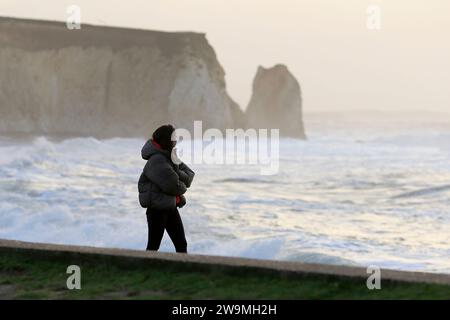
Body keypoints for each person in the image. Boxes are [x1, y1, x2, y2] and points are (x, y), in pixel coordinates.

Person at [138, 124, 195, 253]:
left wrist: (177, 174)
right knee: (153, 247)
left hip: (170, 207)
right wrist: (180, 180)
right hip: (157, 210)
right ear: (165, 140)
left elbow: (190, 174)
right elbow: (173, 186)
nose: (176, 141)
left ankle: (183, 270)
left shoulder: (170, 157)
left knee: (181, 244)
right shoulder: (157, 160)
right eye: (174, 138)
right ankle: (145, 270)